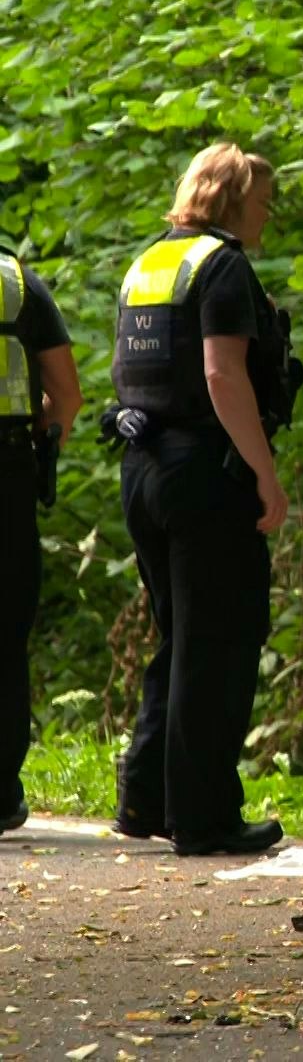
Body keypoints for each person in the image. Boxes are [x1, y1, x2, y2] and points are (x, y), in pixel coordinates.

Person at [111, 143, 301, 856]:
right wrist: (264, 473)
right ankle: (205, 817)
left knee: (182, 638)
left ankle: (145, 798)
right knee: (218, 643)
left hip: (144, 468)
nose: (267, 215)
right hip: (204, 472)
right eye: (262, 202)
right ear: (231, 199)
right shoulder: (223, 266)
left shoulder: (151, 263)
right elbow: (223, 375)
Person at [0, 249, 82, 832]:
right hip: (5, 475)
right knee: (5, 631)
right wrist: (39, 444)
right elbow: (67, 396)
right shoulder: (15, 283)